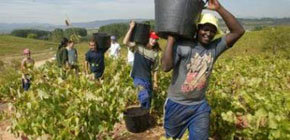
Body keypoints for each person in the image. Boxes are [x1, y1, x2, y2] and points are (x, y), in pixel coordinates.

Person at [161, 0, 245, 139]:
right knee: (171, 137)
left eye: (212, 31)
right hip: (176, 105)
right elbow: (165, 67)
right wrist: (171, 39)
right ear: (197, 30)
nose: (208, 33)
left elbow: (238, 31)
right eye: (205, 29)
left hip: (199, 106)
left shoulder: (214, 48)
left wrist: (219, 8)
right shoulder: (183, 46)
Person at [123, 21, 160, 110]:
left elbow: (155, 70)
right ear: (148, 38)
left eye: (156, 39)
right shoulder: (138, 47)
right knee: (144, 97)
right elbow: (125, 42)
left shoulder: (155, 54)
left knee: (148, 103)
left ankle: (144, 119)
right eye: (152, 38)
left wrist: (155, 83)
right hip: (138, 78)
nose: (154, 41)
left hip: (148, 80)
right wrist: (131, 28)